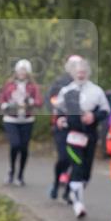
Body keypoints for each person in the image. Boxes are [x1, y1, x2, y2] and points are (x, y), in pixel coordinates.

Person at [56, 59, 110, 218]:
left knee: (86, 173)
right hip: (72, 135)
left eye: (83, 72)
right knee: (77, 166)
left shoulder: (96, 91)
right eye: (78, 72)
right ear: (72, 73)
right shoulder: (66, 91)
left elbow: (105, 110)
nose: (80, 75)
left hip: (90, 135)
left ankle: (72, 191)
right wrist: (60, 119)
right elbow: (59, 110)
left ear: (88, 73)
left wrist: (93, 116)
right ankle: (78, 205)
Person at [0, 59, 43, 186]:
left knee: (24, 148)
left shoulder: (32, 86)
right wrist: (6, 105)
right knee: (15, 144)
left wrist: (30, 102)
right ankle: (11, 170)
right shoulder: (9, 84)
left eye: (24, 70)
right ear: (16, 71)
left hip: (27, 120)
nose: (22, 73)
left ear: (28, 72)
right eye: (20, 70)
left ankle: (20, 174)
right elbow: (1, 99)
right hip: (11, 119)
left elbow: (39, 102)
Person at [46, 54, 84, 201]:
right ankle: (56, 183)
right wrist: (58, 112)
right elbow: (51, 100)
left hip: (78, 127)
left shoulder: (85, 84)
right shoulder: (59, 83)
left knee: (75, 160)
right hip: (61, 126)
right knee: (63, 158)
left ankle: (68, 191)